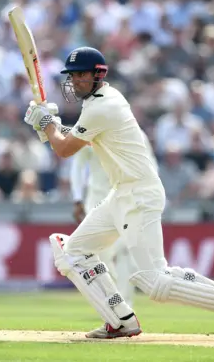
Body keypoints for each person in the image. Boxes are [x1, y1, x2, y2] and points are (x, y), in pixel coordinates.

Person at [23, 46, 214, 340]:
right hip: (121, 194)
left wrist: (46, 124)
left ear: (98, 75)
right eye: (72, 76)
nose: (75, 81)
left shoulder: (102, 106)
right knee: (73, 253)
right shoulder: (100, 101)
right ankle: (120, 319)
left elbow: (64, 149)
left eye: (81, 75)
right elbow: (72, 140)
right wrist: (51, 126)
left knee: (153, 280)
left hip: (138, 195)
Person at [70, 128, 156, 307]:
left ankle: (125, 305)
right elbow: (78, 165)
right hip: (97, 201)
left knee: (125, 252)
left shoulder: (137, 134)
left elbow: (151, 166)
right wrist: (77, 198)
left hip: (127, 200)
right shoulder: (91, 130)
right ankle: (113, 302)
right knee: (101, 256)